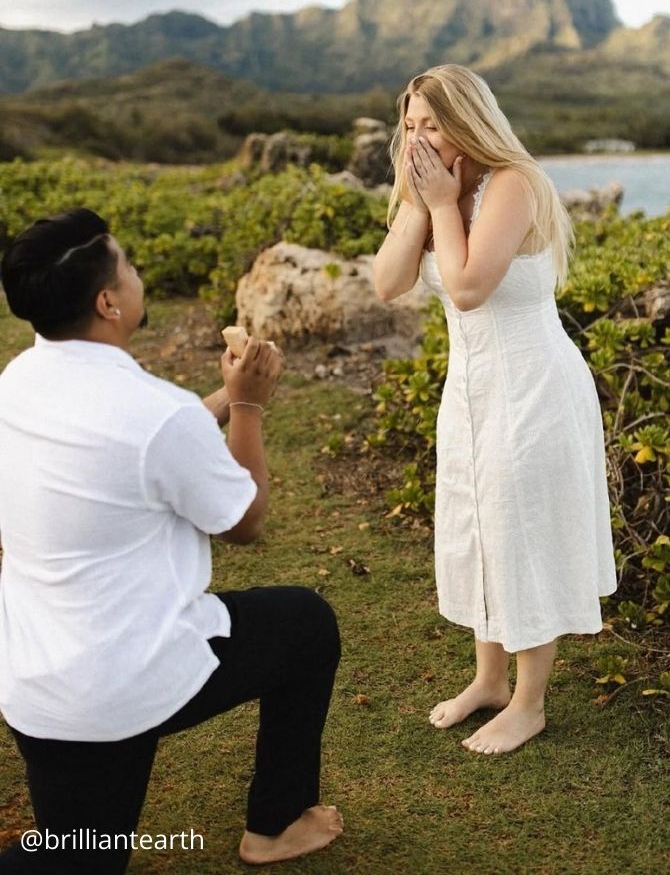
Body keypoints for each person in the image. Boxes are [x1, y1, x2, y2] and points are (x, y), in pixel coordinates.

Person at [0, 209, 343, 873]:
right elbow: (244, 521)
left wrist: (219, 394)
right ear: (107, 302)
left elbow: (143, 439)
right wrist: (247, 406)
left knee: (75, 853)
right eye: (126, 264)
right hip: (114, 685)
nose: (136, 273)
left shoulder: (16, 382)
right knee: (307, 624)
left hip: (34, 678)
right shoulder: (155, 415)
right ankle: (274, 827)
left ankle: (276, 824)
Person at [373, 65, 617, 756]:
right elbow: (389, 283)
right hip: (473, 389)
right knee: (478, 524)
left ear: (468, 122)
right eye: (410, 124)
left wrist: (445, 206)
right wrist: (423, 205)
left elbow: (471, 285)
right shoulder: (439, 189)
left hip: (533, 387)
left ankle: (530, 703)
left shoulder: (513, 183)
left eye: (432, 124)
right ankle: (488, 680)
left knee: (523, 531)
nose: (417, 137)